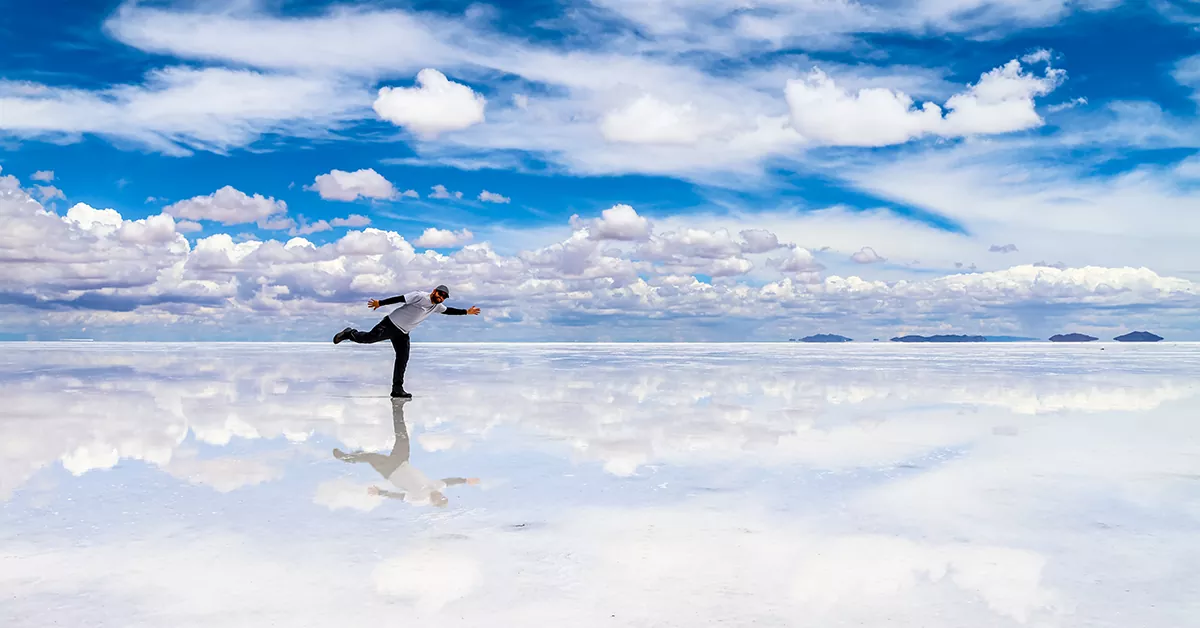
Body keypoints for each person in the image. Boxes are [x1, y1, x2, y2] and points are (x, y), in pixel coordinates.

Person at [332, 284, 480, 398]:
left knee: (402, 359)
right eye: (440, 294)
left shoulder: (437, 306)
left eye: (444, 297)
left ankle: (397, 389)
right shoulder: (419, 296)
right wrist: (380, 303)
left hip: (403, 333)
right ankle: (349, 333)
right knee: (368, 339)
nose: (441, 298)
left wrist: (466, 312)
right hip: (389, 324)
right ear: (434, 291)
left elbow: (448, 311)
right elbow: (399, 299)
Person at [332, 399, 480, 508]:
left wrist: (380, 493)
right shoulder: (436, 487)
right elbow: (449, 481)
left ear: (433, 503)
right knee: (402, 435)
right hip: (402, 461)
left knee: (370, 457)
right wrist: (465, 480)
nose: (439, 495)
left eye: (438, 499)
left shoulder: (420, 499)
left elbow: (401, 496)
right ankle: (397, 406)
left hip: (391, 471)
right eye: (442, 496)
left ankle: (346, 458)